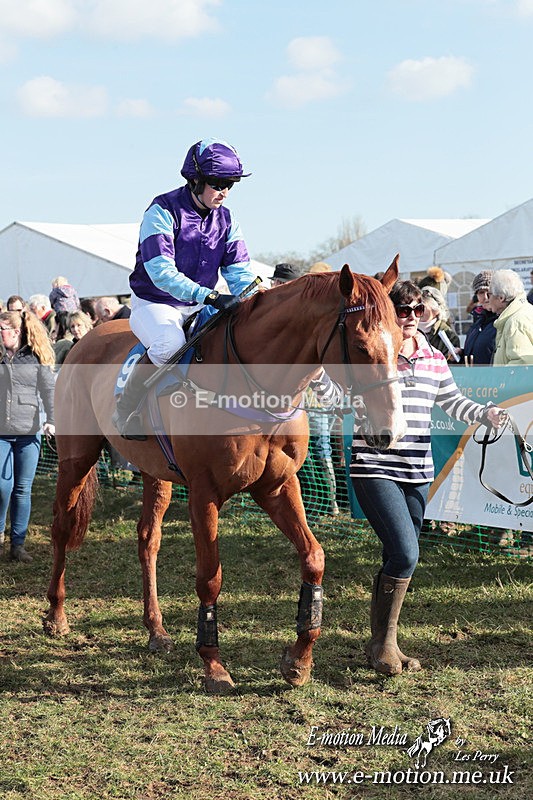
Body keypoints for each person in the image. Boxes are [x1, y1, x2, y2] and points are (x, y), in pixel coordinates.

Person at [350, 280, 505, 676]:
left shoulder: (434, 357)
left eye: (417, 309)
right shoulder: (374, 356)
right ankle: (384, 644)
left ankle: (383, 644)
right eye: (402, 310)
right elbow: (336, 390)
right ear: (389, 313)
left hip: (418, 470)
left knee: (398, 555)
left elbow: (451, 401)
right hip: (375, 466)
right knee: (406, 553)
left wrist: (484, 413)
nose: (411, 318)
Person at [113, 137, 257, 439]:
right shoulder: (161, 210)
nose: (225, 193)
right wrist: (210, 295)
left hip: (201, 302)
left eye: (231, 185)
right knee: (169, 344)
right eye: (218, 184)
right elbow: (161, 272)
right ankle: (127, 411)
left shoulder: (228, 220)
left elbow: (239, 272)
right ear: (195, 180)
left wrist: (257, 299)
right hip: (155, 302)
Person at [0, 310, 55, 562]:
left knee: (22, 489)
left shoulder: (35, 357)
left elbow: (48, 389)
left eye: (2, 328)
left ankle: (18, 545)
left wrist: (52, 420)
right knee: (2, 487)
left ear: (16, 331)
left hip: (28, 432)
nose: (0, 333)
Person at [487, 269, 533, 365]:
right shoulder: (525, 311)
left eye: (489, 294)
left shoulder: (515, 322)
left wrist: (501, 380)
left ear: (501, 298)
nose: (487, 299)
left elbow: (521, 365)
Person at [461, 271, 497, 365]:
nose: (486, 297)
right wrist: (461, 355)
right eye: (481, 292)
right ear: (476, 296)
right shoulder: (478, 320)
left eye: (489, 292)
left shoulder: (502, 321)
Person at [418, 286, 460, 360]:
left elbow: (450, 367)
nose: (418, 311)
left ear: (436, 310)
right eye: (417, 307)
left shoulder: (448, 335)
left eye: (422, 307)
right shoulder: (409, 330)